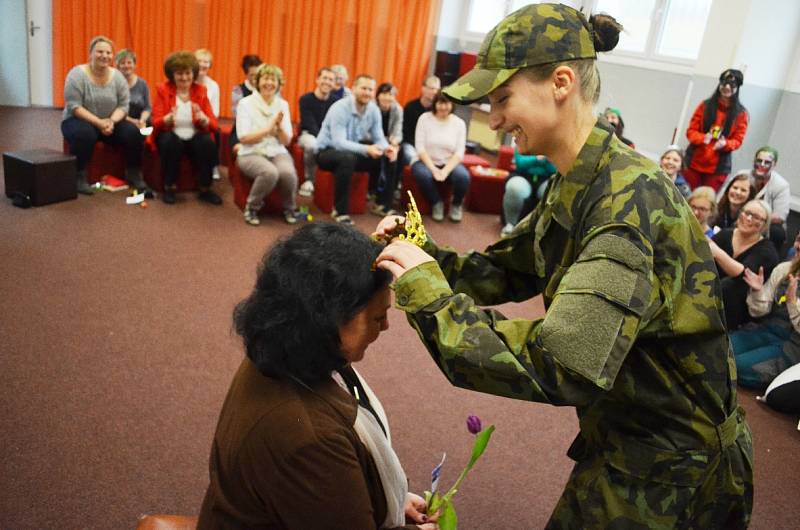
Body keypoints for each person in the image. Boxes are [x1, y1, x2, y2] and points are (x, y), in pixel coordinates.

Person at [374, 4, 752, 528]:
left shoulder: (627, 207)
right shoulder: (578, 182)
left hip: (670, 468)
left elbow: (560, 365)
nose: (495, 117)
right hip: (628, 438)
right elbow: (505, 270)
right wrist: (420, 252)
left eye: (503, 98)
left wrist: (428, 294)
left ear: (561, 81)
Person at [197, 223, 436, 530]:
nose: (386, 326)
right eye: (378, 317)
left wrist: (383, 498)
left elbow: (315, 496)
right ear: (329, 319)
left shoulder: (282, 353)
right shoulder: (308, 438)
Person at [61, 36, 145, 194]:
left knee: (133, 133)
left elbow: (123, 105)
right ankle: (79, 176)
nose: (104, 56)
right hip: (78, 120)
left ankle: (133, 173)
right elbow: (74, 107)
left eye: (108, 52)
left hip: (109, 121)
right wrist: (99, 123)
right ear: (90, 54)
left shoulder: (118, 77)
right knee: (85, 134)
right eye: (100, 51)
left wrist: (111, 121)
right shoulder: (76, 75)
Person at [316, 75, 398, 223]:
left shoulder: (373, 109)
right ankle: (340, 212)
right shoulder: (340, 108)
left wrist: (387, 148)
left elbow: (378, 136)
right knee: (347, 158)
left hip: (351, 151)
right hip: (326, 152)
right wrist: (367, 149)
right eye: (363, 88)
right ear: (353, 89)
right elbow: (339, 143)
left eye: (370, 89)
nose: (367, 92)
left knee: (389, 156)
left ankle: (382, 204)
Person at [151, 51, 221, 205]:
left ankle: (205, 188)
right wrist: (166, 119)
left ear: (193, 73)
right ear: (172, 75)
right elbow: (155, 122)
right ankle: (169, 187)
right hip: (171, 134)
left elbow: (214, 125)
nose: (184, 78)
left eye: (187, 73)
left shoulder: (201, 91)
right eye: (179, 73)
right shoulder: (163, 90)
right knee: (170, 142)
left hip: (194, 135)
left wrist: (204, 120)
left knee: (207, 143)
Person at [732, 231, 800, 389]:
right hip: (767, 330)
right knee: (719, 349)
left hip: (792, 346)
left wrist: (792, 303)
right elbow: (758, 311)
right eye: (798, 239)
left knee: (738, 367)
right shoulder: (785, 269)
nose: (798, 245)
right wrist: (757, 291)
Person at [235, 64, 298, 226]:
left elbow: (286, 141)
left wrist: (279, 129)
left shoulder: (282, 104)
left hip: (277, 149)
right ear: (257, 81)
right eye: (265, 78)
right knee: (269, 172)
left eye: (273, 79)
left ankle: (289, 208)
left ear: (279, 83)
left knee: (288, 173)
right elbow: (243, 138)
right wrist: (269, 129)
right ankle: (252, 207)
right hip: (250, 152)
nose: (269, 83)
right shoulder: (245, 103)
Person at [709, 199, 779, 330]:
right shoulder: (725, 234)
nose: (748, 218)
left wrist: (717, 252)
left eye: (756, 217)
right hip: (709, 297)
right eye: (746, 212)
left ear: (764, 225)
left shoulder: (767, 252)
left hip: (740, 309)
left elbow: (744, 274)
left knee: (728, 285)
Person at [684, 69, 748, 192]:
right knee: (685, 198)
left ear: (738, 87)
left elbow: (738, 140)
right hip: (694, 163)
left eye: (732, 85)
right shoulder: (705, 105)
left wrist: (726, 144)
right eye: (724, 83)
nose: (727, 87)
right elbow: (691, 132)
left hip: (718, 168)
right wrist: (703, 138)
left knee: (706, 202)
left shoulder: (741, 114)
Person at [411, 92, 468, 223]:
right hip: (424, 160)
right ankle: (436, 203)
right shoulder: (424, 118)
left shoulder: (459, 123)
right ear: (435, 104)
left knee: (463, 176)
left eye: (447, 103)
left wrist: (445, 171)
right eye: (440, 103)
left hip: (448, 162)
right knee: (422, 175)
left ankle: (456, 205)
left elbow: (459, 152)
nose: (443, 107)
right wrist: (433, 169)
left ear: (452, 105)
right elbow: (420, 147)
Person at [734, 146, 790, 252]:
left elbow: (780, 216)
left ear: (774, 165)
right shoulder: (742, 175)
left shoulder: (781, 185)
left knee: (777, 232)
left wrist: (756, 218)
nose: (762, 165)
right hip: (739, 215)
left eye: (767, 162)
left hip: (765, 223)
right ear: (753, 161)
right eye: (759, 161)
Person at [297, 67, 336, 197]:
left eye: (331, 80)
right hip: (308, 134)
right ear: (317, 80)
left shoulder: (336, 102)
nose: (327, 82)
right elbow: (310, 124)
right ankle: (310, 180)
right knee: (313, 145)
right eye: (324, 78)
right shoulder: (306, 99)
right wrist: (325, 140)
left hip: (329, 136)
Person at [500, 150, 556, 236]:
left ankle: (542, 231)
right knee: (514, 187)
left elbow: (555, 170)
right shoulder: (524, 139)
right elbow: (521, 163)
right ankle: (510, 225)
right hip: (523, 175)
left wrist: (546, 161)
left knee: (553, 193)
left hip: (546, 178)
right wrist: (537, 159)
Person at [372, 82, 403, 211]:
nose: (387, 97)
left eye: (390, 94)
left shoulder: (397, 109)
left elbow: (398, 131)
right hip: (372, 142)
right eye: (384, 94)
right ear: (378, 95)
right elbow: (369, 132)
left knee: (396, 156)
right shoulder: (371, 108)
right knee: (385, 155)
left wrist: (394, 143)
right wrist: (386, 143)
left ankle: (387, 201)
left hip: (390, 143)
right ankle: (378, 196)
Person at [401, 76, 441, 167]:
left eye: (437, 89)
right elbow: (405, 132)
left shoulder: (439, 110)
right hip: (412, 145)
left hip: (431, 147)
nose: (435, 92)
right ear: (423, 88)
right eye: (432, 88)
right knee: (408, 154)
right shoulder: (411, 107)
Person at [195, 48, 222, 181]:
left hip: (206, 120)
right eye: (199, 61)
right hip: (189, 120)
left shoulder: (213, 86)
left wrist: (205, 118)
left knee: (216, 131)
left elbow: (215, 112)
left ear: (210, 65)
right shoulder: (187, 81)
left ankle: (214, 165)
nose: (203, 64)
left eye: (206, 62)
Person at [229, 54, 262, 153]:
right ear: (246, 74)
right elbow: (237, 115)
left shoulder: (266, 89)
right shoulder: (238, 90)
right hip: (242, 130)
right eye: (252, 75)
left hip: (262, 129)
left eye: (258, 74)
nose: (255, 78)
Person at [115, 49, 151, 130]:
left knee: (151, 125)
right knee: (131, 131)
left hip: (141, 120)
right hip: (122, 121)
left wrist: (142, 120)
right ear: (117, 66)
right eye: (123, 63)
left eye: (129, 62)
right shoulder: (114, 84)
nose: (126, 65)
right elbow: (112, 110)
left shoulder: (142, 83)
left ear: (134, 65)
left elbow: (147, 107)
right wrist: (133, 121)